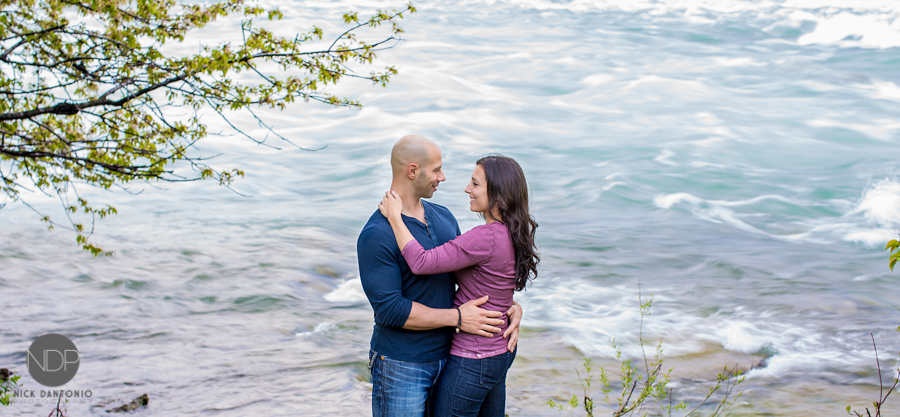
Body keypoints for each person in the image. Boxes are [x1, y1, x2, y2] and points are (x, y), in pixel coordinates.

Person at [357, 135, 523, 417]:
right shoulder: (377, 234)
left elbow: (471, 275)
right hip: (402, 365)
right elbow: (390, 310)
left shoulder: (444, 217)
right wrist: (458, 318)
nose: (443, 177)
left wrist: (507, 305)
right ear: (412, 171)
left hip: (452, 358)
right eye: (436, 170)